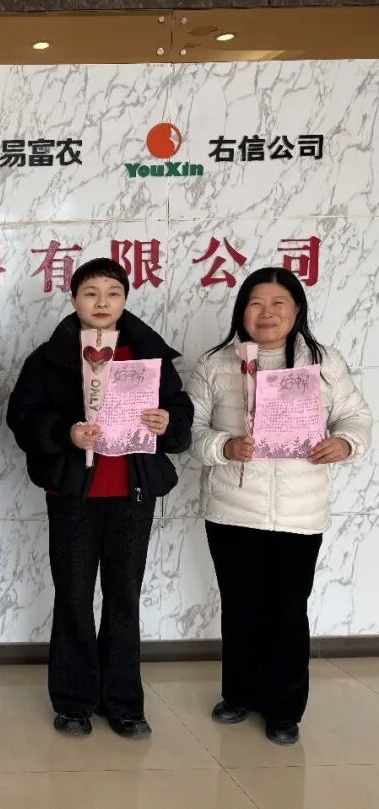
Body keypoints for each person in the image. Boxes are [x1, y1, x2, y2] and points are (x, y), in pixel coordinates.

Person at [7, 258, 193, 739]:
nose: (102, 302)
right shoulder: (50, 358)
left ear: (126, 299)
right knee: (73, 595)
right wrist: (66, 432)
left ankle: (124, 703)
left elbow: (180, 412)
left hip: (133, 492)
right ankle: (73, 702)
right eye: (90, 292)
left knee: (123, 596)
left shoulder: (147, 355)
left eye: (113, 292)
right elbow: (23, 416)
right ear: (73, 300)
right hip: (74, 494)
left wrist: (167, 422)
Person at [190, 266, 371, 745]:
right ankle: (238, 695)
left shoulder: (323, 363)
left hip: (298, 513)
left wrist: (345, 443)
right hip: (232, 509)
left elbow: (356, 417)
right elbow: (191, 433)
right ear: (241, 311)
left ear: (297, 310)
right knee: (240, 608)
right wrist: (224, 446)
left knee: (288, 612)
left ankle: (284, 709)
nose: (266, 313)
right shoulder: (216, 364)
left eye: (277, 304)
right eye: (255, 303)